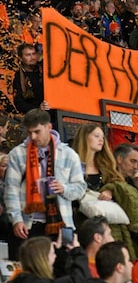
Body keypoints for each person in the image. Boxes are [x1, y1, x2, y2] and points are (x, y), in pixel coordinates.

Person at [5, 109, 87, 260]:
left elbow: (81, 189)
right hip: (27, 224)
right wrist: (16, 220)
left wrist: (64, 188)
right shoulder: (17, 154)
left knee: (61, 273)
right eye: (29, 133)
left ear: (49, 127)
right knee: (23, 274)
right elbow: (11, 191)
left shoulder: (69, 154)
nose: (33, 137)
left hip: (61, 224)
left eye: (37, 132)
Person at [72, 123, 138, 254]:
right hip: (80, 223)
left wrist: (110, 189)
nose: (101, 140)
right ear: (84, 138)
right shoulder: (72, 165)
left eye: (103, 137)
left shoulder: (106, 165)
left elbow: (122, 186)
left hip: (107, 226)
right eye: (96, 136)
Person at [11, 43, 44, 114]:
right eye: (28, 55)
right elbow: (19, 103)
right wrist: (38, 108)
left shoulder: (43, 69)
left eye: (34, 54)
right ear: (20, 58)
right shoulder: (18, 77)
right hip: (35, 115)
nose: (32, 57)